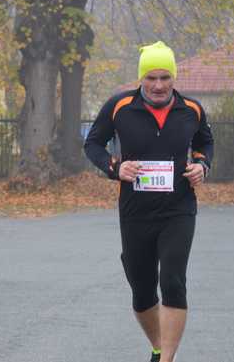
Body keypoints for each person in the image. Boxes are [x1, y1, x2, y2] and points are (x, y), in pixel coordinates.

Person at [84, 41, 214, 362]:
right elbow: (93, 144)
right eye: (151, 78)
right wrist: (115, 168)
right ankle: (158, 346)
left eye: (165, 77)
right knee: (142, 291)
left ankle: (166, 359)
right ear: (141, 78)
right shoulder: (119, 106)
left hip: (178, 209)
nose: (158, 85)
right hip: (135, 212)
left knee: (172, 280)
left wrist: (201, 165)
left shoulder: (192, 109)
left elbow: (205, 142)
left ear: (173, 78)